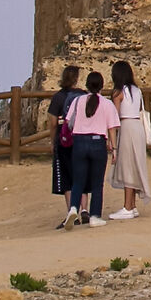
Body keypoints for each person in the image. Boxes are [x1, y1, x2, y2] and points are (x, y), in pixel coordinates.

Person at [62, 70, 116, 227]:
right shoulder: (107, 104)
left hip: (79, 141)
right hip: (98, 142)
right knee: (97, 183)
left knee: (78, 181)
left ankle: (73, 208)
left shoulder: (78, 101)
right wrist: (115, 149)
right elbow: (112, 128)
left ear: (86, 85)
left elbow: (68, 122)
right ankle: (94, 216)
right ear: (101, 86)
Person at [106, 59, 151, 219]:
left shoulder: (118, 92)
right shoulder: (136, 90)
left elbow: (115, 117)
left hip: (126, 127)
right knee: (135, 163)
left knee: (127, 166)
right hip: (137, 127)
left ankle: (127, 206)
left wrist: (110, 139)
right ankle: (132, 205)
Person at [46, 64, 83, 221]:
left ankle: (71, 211)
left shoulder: (58, 97)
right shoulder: (83, 95)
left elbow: (53, 122)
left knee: (66, 177)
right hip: (82, 138)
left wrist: (52, 141)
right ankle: (84, 210)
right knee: (81, 174)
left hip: (64, 140)